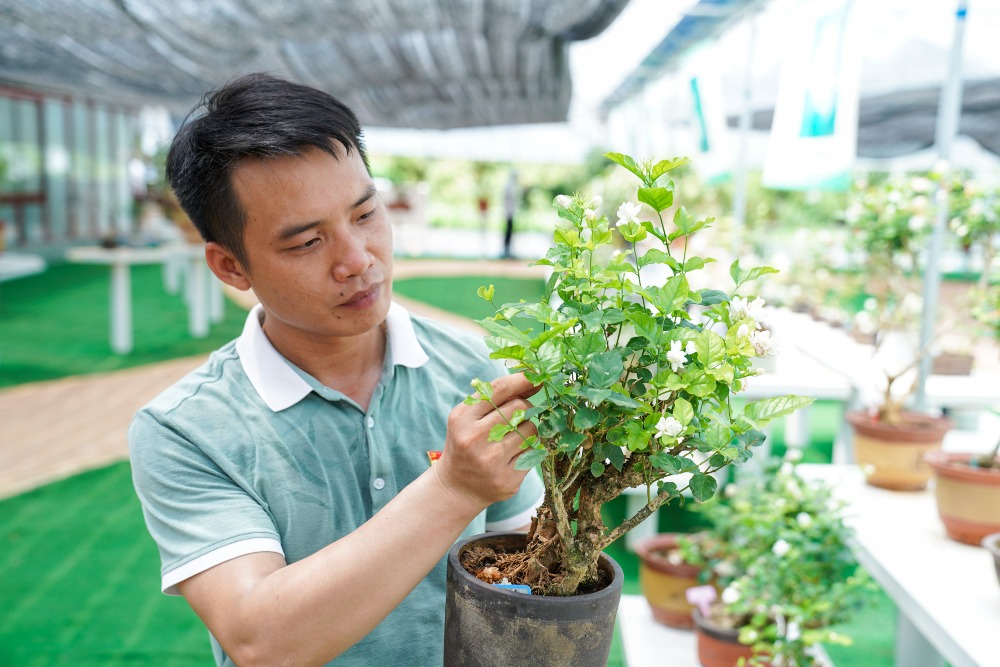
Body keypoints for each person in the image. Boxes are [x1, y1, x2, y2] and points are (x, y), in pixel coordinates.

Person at [128, 72, 544, 667]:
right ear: (230, 266)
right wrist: (453, 487)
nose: (357, 259)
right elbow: (260, 640)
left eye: (366, 213)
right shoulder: (185, 430)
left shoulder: (474, 368)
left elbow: (533, 556)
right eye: (306, 243)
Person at [501, 169, 519, 259]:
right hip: (509, 212)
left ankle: (508, 249)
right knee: (508, 230)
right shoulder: (509, 186)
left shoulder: (512, 185)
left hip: (511, 212)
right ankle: (506, 249)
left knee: (510, 230)